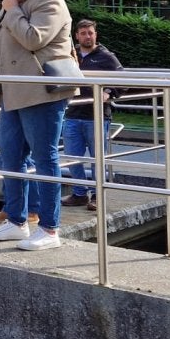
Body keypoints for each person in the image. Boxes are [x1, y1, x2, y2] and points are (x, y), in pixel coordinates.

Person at [0, 0, 75, 251]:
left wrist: (13, 11)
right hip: (13, 92)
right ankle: (16, 221)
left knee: (45, 159)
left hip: (41, 92)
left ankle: (49, 228)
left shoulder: (49, 0)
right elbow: (4, 46)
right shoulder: (15, 4)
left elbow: (33, 39)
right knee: (10, 157)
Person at [62, 19, 123, 213]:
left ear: (96, 35)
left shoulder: (107, 57)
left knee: (98, 159)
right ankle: (80, 194)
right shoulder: (71, 56)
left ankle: (98, 195)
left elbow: (123, 80)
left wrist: (110, 92)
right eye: (83, 33)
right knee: (73, 157)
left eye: (91, 33)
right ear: (77, 36)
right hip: (72, 114)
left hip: (97, 116)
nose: (88, 36)